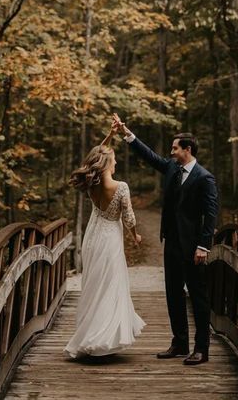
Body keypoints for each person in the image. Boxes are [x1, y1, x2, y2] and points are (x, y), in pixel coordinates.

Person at [112, 113, 218, 365]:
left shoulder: (205, 178)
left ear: (187, 149)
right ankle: (180, 343)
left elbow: (211, 215)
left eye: (174, 148)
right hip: (170, 242)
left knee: (198, 296)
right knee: (173, 294)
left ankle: (201, 349)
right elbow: (151, 157)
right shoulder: (172, 167)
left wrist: (204, 245)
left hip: (193, 247)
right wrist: (128, 134)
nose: (170, 152)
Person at [64, 123, 145, 359]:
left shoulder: (92, 183)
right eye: (115, 159)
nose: (117, 162)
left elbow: (97, 152)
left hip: (93, 236)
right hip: (109, 238)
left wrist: (110, 135)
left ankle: (92, 333)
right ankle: (102, 338)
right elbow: (129, 218)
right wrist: (135, 235)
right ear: (107, 163)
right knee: (110, 285)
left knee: (94, 284)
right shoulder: (120, 187)